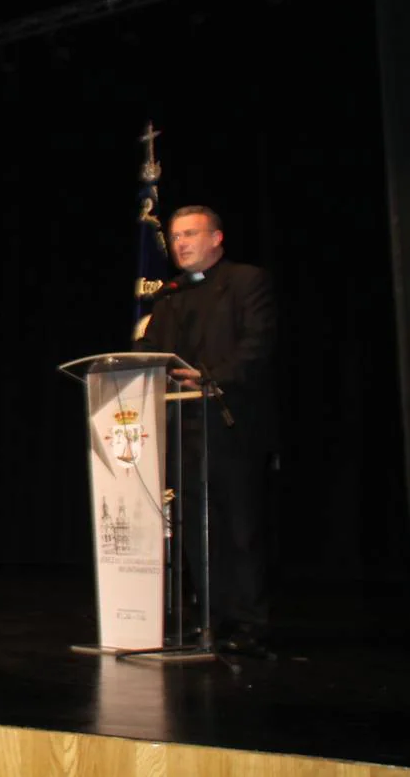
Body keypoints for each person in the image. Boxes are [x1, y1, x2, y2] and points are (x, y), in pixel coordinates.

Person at [136, 205, 277, 656]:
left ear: (216, 238)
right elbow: (150, 348)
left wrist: (211, 375)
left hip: (231, 421)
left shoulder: (246, 281)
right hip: (184, 426)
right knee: (198, 528)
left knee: (239, 526)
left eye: (190, 234)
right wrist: (129, 363)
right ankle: (213, 619)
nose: (180, 243)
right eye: (176, 236)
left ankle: (252, 622)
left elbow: (257, 346)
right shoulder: (171, 296)